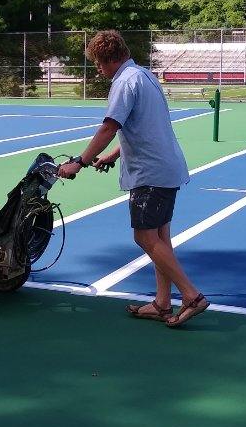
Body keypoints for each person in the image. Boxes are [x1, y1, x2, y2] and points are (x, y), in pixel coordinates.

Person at [57, 30, 209, 327]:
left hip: (150, 173)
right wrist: (113, 157)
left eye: (99, 64)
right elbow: (139, 125)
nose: (99, 70)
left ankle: (191, 295)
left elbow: (109, 126)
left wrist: (80, 162)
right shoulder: (144, 75)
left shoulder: (124, 82)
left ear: (111, 58)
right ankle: (162, 303)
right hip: (166, 168)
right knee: (160, 237)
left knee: (144, 237)